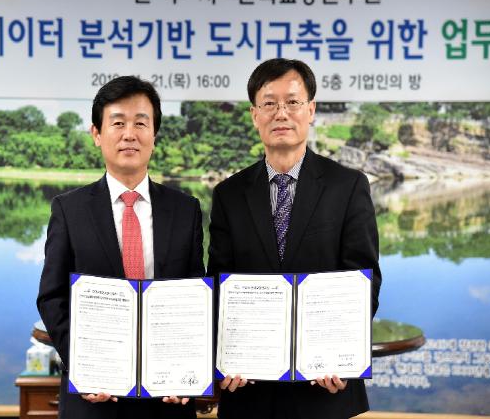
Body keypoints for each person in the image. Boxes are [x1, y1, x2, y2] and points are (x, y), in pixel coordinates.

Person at [207, 58, 382, 419]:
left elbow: (363, 280)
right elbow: (219, 283)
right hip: (249, 388)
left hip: (325, 387)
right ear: (254, 115)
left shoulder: (348, 186)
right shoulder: (229, 194)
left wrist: (342, 354)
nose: (281, 113)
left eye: (292, 102)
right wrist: (225, 355)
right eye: (269, 103)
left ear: (311, 110)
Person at [37, 76, 204, 419]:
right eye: (117, 123)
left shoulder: (185, 209)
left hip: (167, 398)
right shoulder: (69, 210)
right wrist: (83, 366)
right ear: (97, 134)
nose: (130, 134)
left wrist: (188, 370)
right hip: (94, 399)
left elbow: (196, 297)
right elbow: (52, 298)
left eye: (141, 123)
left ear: (155, 134)